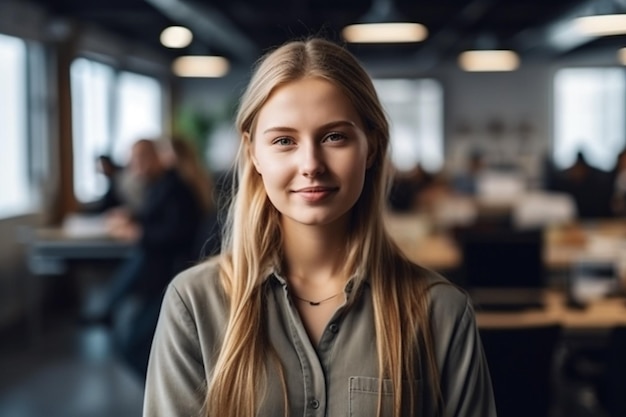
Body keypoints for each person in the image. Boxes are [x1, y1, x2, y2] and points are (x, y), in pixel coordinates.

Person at [143, 38, 495, 417]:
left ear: (372, 147)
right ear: (252, 153)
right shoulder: (194, 304)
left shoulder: (440, 312)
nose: (311, 163)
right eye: (283, 140)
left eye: (334, 137)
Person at [86, 138, 204, 377]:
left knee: (134, 345)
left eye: (138, 159)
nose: (132, 166)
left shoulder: (175, 187)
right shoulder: (160, 186)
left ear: (156, 157)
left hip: (170, 277)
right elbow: (158, 218)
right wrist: (133, 219)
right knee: (138, 345)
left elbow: (178, 231)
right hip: (159, 277)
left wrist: (138, 232)